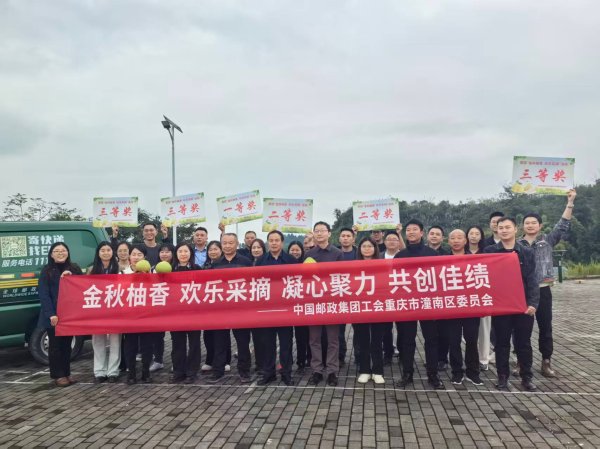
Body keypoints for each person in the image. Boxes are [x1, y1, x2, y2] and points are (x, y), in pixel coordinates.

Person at [519, 189, 576, 377]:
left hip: (543, 290)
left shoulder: (548, 240)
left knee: (545, 327)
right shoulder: (517, 245)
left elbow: (563, 225)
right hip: (523, 292)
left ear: (540, 225)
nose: (530, 225)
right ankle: (521, 362)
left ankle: (546, 362)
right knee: (522, 329)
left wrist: (570, 203)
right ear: (522, 226)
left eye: (533, 223)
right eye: (527, 223)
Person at [484, 217, 539, 391]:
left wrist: (533, 303)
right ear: (496, 230)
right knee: (501, 343)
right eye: (501, 227)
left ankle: (526, 377)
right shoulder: (489, 251)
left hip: (523, 306)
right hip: (501, 306)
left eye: (508, 227)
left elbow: (532, 280)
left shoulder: (526, 252)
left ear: (515, 229)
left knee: (523, 344)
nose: (504, 230)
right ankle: (502, 377)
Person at [394, 219, 445, 390]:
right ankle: (407, 373)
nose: (411, 232)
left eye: (415, 229)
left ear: (422, 232)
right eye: (408, 230)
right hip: (407, 304)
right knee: (407, 341)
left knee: (431, 340)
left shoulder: (432, 254)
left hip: (427, 303)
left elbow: (439, 278)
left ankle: (433, 375)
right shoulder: (400, 255)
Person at [255, 231, 300, 386]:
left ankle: (286, 373)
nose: (274, 243)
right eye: (271, 240)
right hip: (267, 309)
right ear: (268, 242)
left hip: (285, 309)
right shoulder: (260, 261)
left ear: (282, 242)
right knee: (267, 343)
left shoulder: (291, 260)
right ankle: (269, 373)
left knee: (286, 344)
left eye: (277, 240)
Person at [208, 233, 253, 383]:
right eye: (224, 243)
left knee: (243, 343)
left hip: (240, 309)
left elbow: (251, 283)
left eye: (230, 243)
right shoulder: (215, 264)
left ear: (237, 244)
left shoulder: (246, 262)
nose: (227, 246)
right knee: (219, 342)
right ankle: (218, 371)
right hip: (221, 310)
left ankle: (244, 371)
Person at [38, 242, 83, 387]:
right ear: (51, 254)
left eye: (63, 250)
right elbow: (44, 294)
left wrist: (72, 276)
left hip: (69, 314)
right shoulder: (47, 271)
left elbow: (83, 285)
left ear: (68, 253)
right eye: (56, 251)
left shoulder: (74, 268)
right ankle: (58, 375)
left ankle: (67, 373)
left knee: (67, 345)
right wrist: (51, 314)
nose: (60, 253)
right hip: (54, 315)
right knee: (55, 346)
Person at [305, 221, 344, 386]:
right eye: (317, 231)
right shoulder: (309, 254)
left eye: (322, 230)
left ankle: (332, 371)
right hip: (314, 302)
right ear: (313, 233)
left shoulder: (337, 253)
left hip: (331, 301)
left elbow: (341, 277)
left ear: (329, 233)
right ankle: (317, 370)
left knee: (333, 339)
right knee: (314, 338)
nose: (319, 233)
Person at [445, 230, 483, 386]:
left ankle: (473, 372)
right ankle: (457, 372)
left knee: (472, 340)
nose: (456, 241)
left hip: (470, 306)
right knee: (453, 341)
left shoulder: (475, 260)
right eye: (452, 238)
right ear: (448, 241)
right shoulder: (441, 260)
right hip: (451, 307)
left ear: (465, 241)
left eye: (459, 238)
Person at [354, 237, 386, 384]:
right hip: (360, 308)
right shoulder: (352, 266)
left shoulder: (382, 265)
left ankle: (378, 371)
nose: (367, 249)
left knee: (377, 340)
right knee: (363, 340)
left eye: (370, 246)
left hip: (378, 307)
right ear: (359, 249)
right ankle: (365, 370)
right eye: (364, 246)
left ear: (375, 248)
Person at [170, 243, 203, 384]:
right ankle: (178, 372)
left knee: (194, 344)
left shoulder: (197, 269)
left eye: (186, 251)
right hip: (175, 313)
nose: (183, 254)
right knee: (178, 344)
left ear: (191, 253)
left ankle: (192, 372)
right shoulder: (169, 270)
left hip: (193, 313)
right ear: (176, 254)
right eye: (180, 251)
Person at [88, 241, 121, 383]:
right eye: (103, 250)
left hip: (115, 310)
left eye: (108, 250)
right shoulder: (91, 269)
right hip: (97, 311)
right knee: (98, 341)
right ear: (98, 253)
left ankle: (113, 371)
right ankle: (99, 371)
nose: (106, 252)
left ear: (112, 252)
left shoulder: (119, 268)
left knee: (115, 341)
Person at [122, 245, 154, 384]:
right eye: (133, 254)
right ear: (129, 257)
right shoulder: (123, 273)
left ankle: (146, 372)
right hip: (129, 316)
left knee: (147, 345)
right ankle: (131, 373)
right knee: (130, 345)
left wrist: (147, 275)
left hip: (147, 315)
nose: (136, 257)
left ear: (144, 257)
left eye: (139, 254)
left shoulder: (152, 273)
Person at [200, 241, 230, 373]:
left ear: (221, 251)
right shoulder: (205, 266)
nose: (213, 252)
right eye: (210, 250)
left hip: (223, 304)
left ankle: (226, 361)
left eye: (215, 249)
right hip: (208, 306)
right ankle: (210, 360)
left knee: (223, 335)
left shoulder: (225, 265)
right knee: (208, 335)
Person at [466, 225, 493, 371]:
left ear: (481, 236)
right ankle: (470, 359)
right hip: (465, 297)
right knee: (469, 333)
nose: (474, 236)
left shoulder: (487, 252)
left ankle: (483, 359)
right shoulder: (461, 252)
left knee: (484, 329)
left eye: (477, 233)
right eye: (471, 233)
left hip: (483, 296)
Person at [149, 243, 176, 373]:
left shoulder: (177, 267)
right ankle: (158, 360)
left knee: (176, 336)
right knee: (157, 336)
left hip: (174, 306)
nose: (164, 254)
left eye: (167, 251)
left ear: (172, 253)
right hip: (158, 306)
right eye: (162, 252)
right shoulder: (152, 269)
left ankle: (176, 361)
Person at [380, 228, 405, 365]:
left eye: (394, 239)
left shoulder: (404, 256)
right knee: (386, 329)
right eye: (388, 239)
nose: (391, 242)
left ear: (399, 242)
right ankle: (387, 353)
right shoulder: (379, 256)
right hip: (384, 297)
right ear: (384, 242)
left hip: (401, 296)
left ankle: (402, 353)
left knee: (402, 327)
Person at [288, 241, 310, 372]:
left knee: (302, 336)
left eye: (297, 250)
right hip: (287, 307)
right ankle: (289, 361)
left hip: (302, 307)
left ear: (302, 251)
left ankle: (303, 360)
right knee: (287, 337)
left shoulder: (306, 264)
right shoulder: (284, 264)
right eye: (292, 250)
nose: (295, 252)